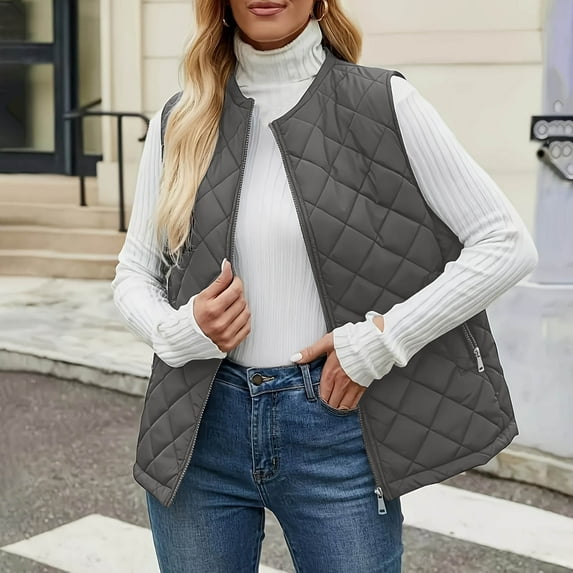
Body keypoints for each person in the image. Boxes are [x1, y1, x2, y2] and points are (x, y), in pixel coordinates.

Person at [112, 1, 538, 571]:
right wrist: (176, 331)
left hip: (334, 425)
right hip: (198, 428)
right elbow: (133, 274)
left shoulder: (382, 101)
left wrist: (381, 342)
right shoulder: (183, 117)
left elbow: (505, 242)